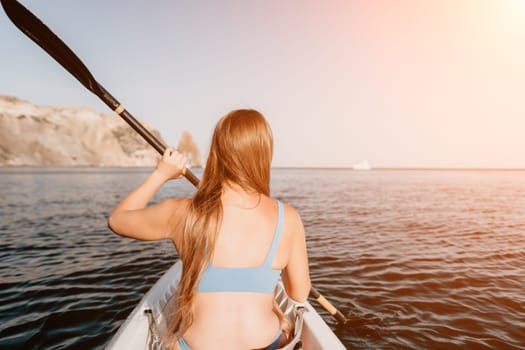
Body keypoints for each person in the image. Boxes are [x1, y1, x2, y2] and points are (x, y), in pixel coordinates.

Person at [108, 109, 311, 350]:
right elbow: (299, 294)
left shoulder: (183, 213)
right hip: (267, 344)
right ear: (264, 154)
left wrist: (161, 174)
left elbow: (118, 220)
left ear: (217, 152)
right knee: (285, 327)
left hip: (194, 346)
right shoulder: (287, 218)